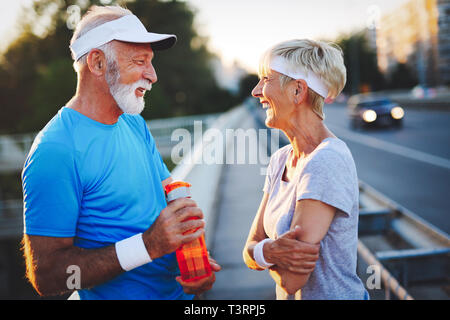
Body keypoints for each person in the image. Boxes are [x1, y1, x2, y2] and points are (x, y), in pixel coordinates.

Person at [21, 5, 220, 300]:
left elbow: (168, 199)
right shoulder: (55, 151)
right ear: (97, 63)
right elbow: (49, 279)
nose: (152, 75)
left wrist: (194, 263)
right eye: (140, 61)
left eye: (150, 62)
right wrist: (147, 246)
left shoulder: (133, 123)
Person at [243, 39, 369, 300]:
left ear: (298, 91)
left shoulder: (326, 160)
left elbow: (290, 280)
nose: (256, 91)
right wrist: (271, 252)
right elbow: (248, 249)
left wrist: (262, 252)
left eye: (266, 79)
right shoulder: (280, 160)